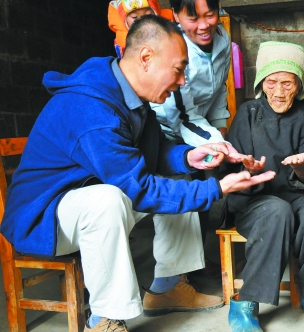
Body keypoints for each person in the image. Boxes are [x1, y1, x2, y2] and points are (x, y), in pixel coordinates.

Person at [0, 16, 275, 332]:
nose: (183, 81)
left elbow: (151, 155)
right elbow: (139, 188)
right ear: (146, 58)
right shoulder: (92, 109)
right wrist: (219, 188)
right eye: (178, 69)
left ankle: (168, 286)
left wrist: (189, 157)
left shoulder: (128, 94)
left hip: (90, 197)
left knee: (172, 182)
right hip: (44, 217)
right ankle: (104, 318)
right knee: (108, 200)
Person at [222, 41, 304, 331]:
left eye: (287, 83)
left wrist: (301, 167)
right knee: (277, 211)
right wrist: (246, 171)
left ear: (299, 84)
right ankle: (245, 304)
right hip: (255, 199)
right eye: (271, 83)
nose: (279, 91)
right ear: (262, 82)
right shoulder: (247, 114)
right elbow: (229, 169)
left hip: (297, 194)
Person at [149, 0, 233, 278]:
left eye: (210, 15)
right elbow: (180, 116)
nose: (204, 25)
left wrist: (219, 131)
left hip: (200, 126)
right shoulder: (174, 49)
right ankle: (174, 279)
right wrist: (216, 143)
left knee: (204, 189)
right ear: (175, 15)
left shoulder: (223, 39)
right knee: (179, 192)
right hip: (170, 129)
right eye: (193, 18)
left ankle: (194, 264)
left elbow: (220, 89)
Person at [108, 0, 174, 58]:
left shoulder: (168, 22)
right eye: (135, 17)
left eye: (148, 15)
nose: (142, 20)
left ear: (156, 12)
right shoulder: (123, 39)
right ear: (124, 19)